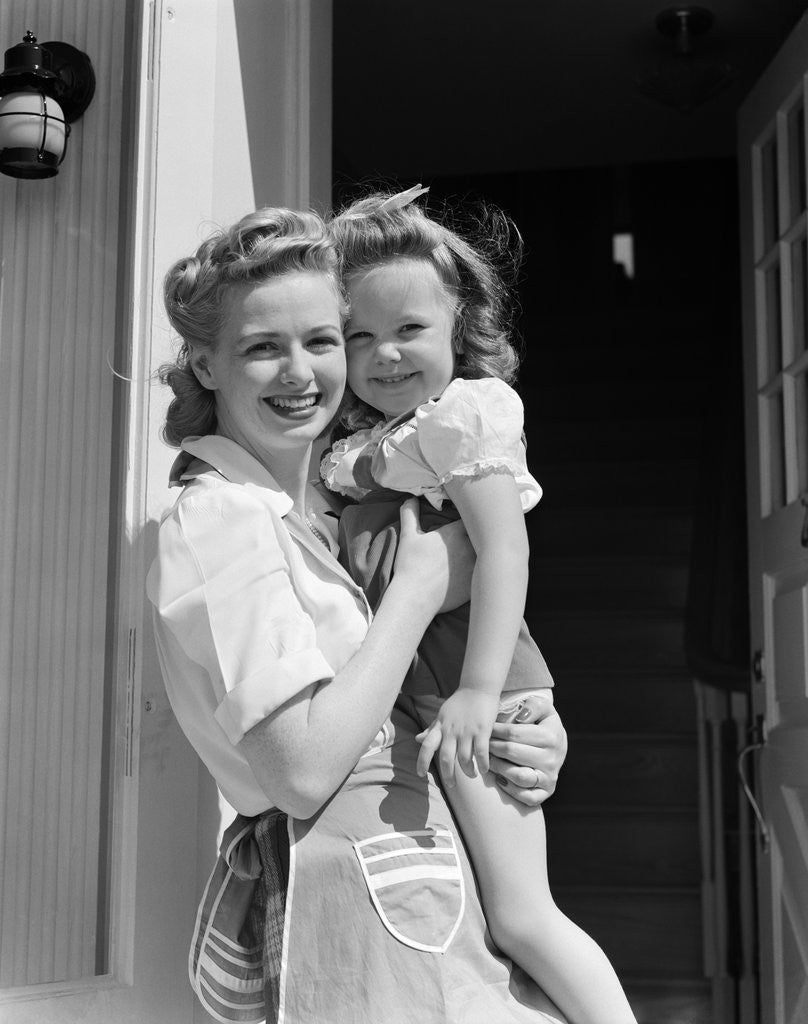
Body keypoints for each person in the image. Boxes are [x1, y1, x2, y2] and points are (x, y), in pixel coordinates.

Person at [146, 206, 571, 1024]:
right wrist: (416, 592)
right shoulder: (224, 519)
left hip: (415, 880)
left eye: (322, 340)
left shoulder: (315, 509)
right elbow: (301, 772)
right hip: (360, 894)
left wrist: (524, 726)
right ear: (204, 362)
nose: (300, 371)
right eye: (262, 347)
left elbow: (400, 685)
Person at [323, 186, 637, 1024]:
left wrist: (479, 690)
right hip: (423, 685)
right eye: (359, 337)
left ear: (459, 322)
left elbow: (504, 549)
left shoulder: (464, 415)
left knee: (521, 915)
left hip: (478, 689)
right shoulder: (367, 438)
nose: (384, 354)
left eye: (409, 330)